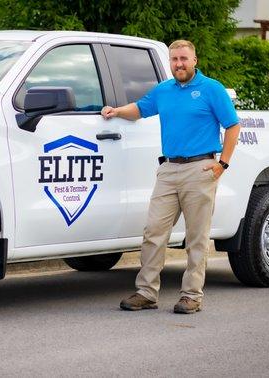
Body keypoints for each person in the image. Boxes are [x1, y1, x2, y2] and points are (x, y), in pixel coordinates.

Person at [101, 40, 241, 314]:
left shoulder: (211, 89)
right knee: (154, 232)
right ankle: (147, 292)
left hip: (200, 169)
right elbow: (140, 109)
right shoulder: (164, 90)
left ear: (195, 60)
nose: (179, 64)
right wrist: (116, 111)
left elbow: (233, 126)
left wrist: (222, 164)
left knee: (196, 237)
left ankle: (191, 295)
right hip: (168, 170)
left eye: (184, 59)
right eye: (174, 59)